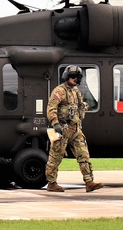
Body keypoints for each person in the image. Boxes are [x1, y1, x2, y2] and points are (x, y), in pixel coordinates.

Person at [44, 65, 104, 193]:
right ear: (67, 77)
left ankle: (89, 182)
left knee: (84, 155)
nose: (74, 79)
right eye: (72, 77)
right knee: (55, 156)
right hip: (63, 129)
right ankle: (51, 183)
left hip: (75, 129)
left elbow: (80, 105)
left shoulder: (76, 91)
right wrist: (55, 124)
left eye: (77, 77)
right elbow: (51, 108)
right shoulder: (59, 91)